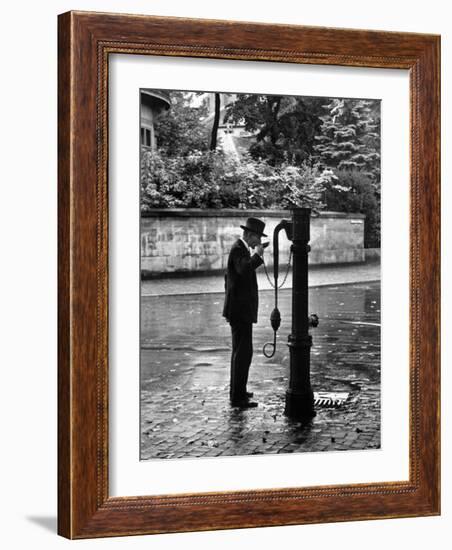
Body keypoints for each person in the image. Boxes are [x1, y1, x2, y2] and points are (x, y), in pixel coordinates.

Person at [223, 217, 267, 408]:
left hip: (240, 310)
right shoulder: (238, 249)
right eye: (256, 238)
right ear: (249, 235)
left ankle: (238, 391)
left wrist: (255, 254)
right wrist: (258, 256)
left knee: (241, 352)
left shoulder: (241, 249)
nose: (258, 242)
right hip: (239, 311)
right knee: (242, 353)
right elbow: (243, 270)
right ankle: (237, 397)